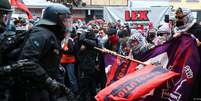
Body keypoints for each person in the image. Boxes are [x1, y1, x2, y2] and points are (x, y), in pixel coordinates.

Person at [9, 4, 75, 101]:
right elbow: (27, 61)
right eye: (64, 20)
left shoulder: (52, 35)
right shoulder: (41, 34)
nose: (67, 23)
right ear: (55, 19)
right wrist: (48, 81)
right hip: (33, 89)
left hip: (42, 88)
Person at [173, 7, 201, 100]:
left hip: (195, 68)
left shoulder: (198, 29)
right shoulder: (176, 30)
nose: (177, 20)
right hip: (180, 67)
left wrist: (190, 38)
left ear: (187, 17)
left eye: (180, 18)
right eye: (176, 17)